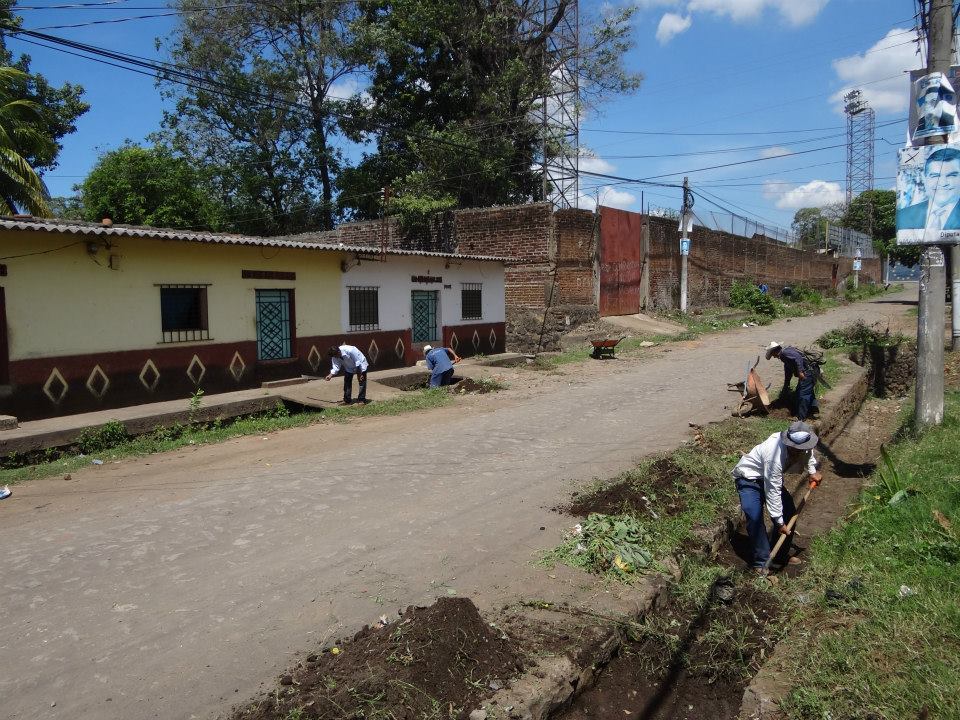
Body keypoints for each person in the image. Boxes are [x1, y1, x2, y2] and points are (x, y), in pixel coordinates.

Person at [732, 421, 822, 572]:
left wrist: (812, 471)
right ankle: (761, 562)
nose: (797, 452)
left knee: (789, 513)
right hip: (749, 479)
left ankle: (779, 555)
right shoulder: (773, 453)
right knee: (754, 516)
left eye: (801, 449)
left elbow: (808, 452)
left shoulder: (804, 446)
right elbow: (772, 490)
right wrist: (779, 523)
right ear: (788, 442)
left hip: (769, 479)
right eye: (794, 449)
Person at [897, 147, 960, 231]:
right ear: (924, 178)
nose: (943, 183)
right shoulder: (903, 215)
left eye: (952, 175)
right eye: (935, 176)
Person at [766, 341, 819, 421]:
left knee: (803, 393)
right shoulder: (785, 356)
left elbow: (798, 358)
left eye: (772, 354)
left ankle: (801, 417)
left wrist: (800, 371)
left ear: (774, 351)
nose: (773, 357)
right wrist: (786, 384)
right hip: (810, 370)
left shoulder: (785, 353)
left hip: (808, 372)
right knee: (805, 391)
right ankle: (813, 409)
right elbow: (788, 370)